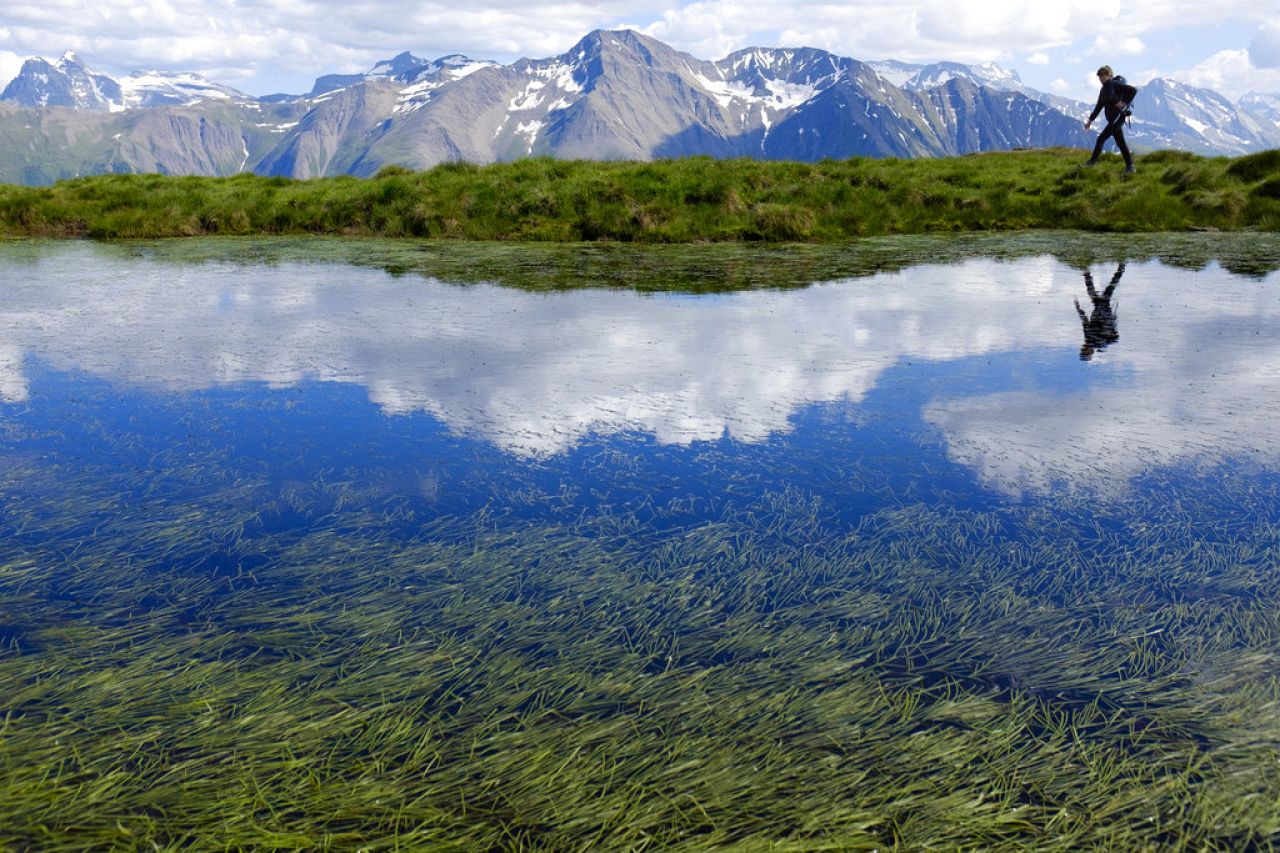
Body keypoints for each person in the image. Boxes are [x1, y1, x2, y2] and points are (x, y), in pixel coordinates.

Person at [1083, 66, 1138, 173]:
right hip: (1112, 119)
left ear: (1110, 75)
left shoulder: (1115, 85)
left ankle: (1091, 162)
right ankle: (1130, 167)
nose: (1102, 78)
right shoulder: (1103, 90)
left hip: (1117, 118)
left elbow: (1133, 90)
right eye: (1100, 76)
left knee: (1101, 139)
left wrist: (1124, 102)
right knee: (1121, 143)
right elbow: (1099, 106)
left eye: (1104, 75)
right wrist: (1090, 121)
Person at [1075, 263, 1123, 360]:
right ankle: (1121, 267)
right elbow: (1085, 321)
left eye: (1082, 349)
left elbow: (1085, 321)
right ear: (1090, 352)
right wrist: (1078, 308)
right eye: (1084, 350)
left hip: (1100, 308)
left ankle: (1086, 270)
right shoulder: (1098, 342)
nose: (1083, 347)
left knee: (1108, 287)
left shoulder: (1090, 338)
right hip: (1104, 310)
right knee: (1109, 287)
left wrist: (1078, 308)